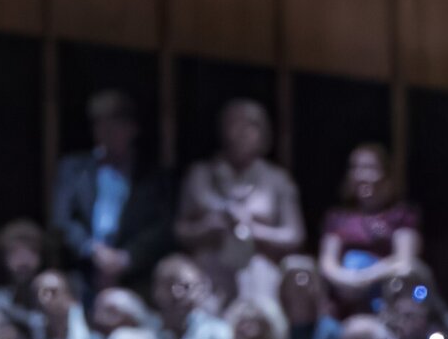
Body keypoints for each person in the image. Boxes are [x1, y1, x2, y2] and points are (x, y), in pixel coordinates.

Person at [176, 96, 307, 310]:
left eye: (250, 125)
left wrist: (251, 230)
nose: (241, 132)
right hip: (209, 268)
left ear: (264, 133)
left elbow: (295, 235)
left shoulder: (277, 180)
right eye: (234, 123)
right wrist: (208, 228)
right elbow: (180, 230)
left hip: (259, 269)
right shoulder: (200, 174)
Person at [52, 87, 175, 294]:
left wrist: (126, 259)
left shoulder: (152, 176)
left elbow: (163, 226)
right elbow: (62, 221)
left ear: (133, 128)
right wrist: (92, 251)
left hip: (137, 277)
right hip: (83, 272)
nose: (105, 130)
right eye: (99, 122)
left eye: (114, 122)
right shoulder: (74, 169)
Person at [314, 143, 425, 317]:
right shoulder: (338, 218)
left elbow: (405, 261)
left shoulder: (400, 216)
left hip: (386, 290)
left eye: (370, 168)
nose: (362, 176)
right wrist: (348, 279)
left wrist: (364, 277)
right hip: (345, 291)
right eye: (356, 168)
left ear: (386, 176)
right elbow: (327, 263)